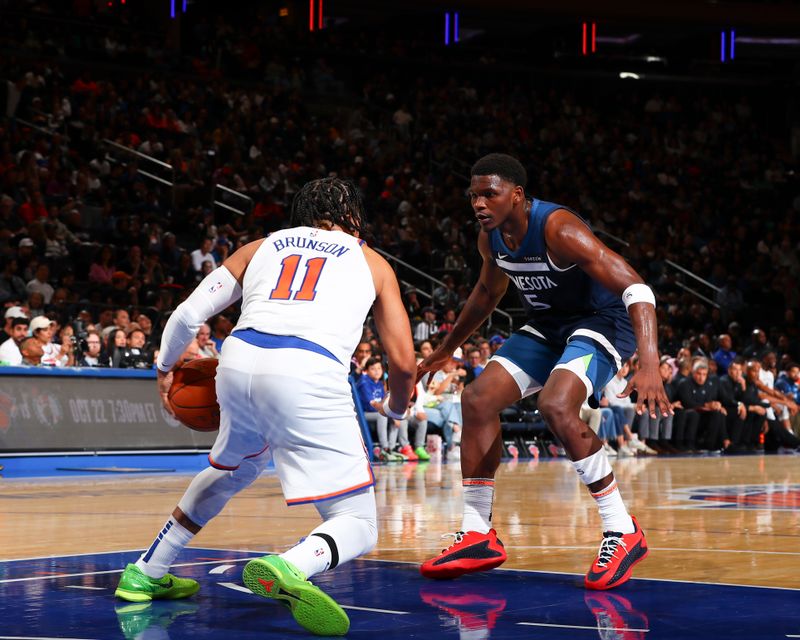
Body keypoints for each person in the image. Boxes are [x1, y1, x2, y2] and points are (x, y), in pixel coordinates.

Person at [114, 177, 416, 637]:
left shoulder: (261, 246)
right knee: (358, 521)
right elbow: (403, 361)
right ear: (350, 218)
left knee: (233, 469)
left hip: (236, 361)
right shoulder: (371, 261)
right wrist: (395, 408)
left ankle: (147, 570)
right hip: (307, 368)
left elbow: (186, 316)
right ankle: (290, 565)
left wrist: (163, 367)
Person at [418, 154, 669, 590]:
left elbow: (637, 288)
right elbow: (485, 293)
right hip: (551, 324)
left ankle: (622, 529)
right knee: (476, 400)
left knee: (556, 404)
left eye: (489, 194)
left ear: (517, 194)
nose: (479, 203)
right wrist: (446, 349)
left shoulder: (557, 228)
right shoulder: (490, 237)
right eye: (473, 195)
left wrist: (650, 364)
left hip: (603, 320)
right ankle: (478, 532)